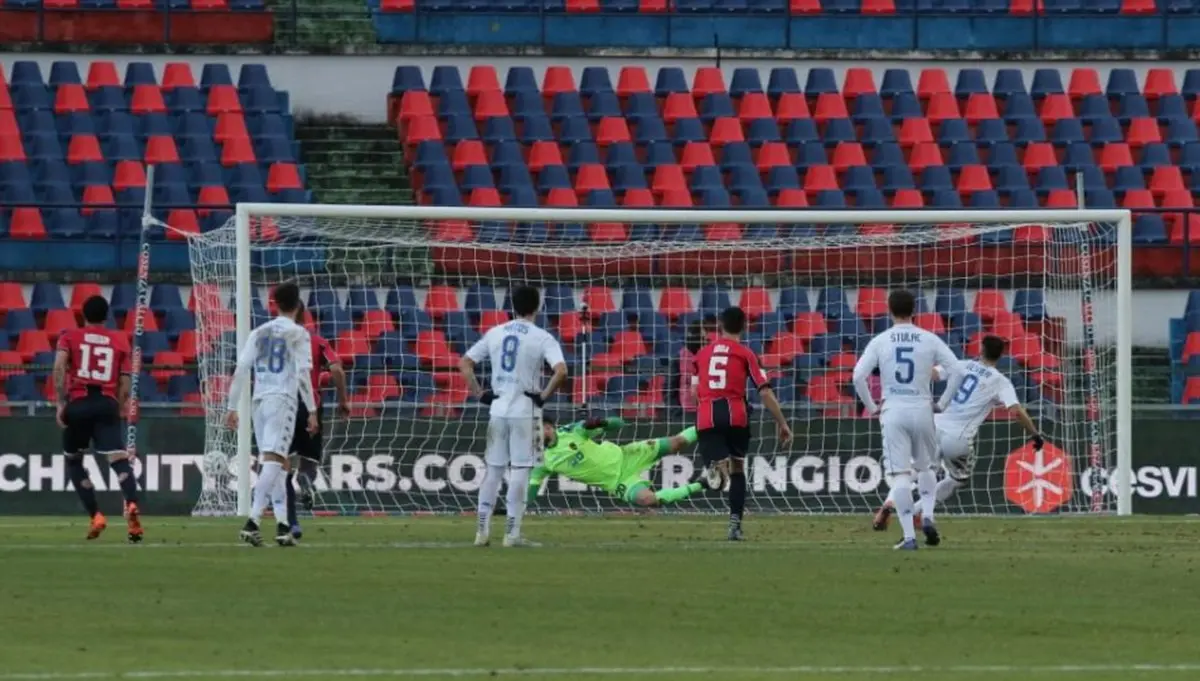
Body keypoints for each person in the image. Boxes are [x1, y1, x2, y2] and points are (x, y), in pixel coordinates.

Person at [873, 335, 1044, 540]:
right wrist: (1035, 434)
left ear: (981, 350)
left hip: (933, 425)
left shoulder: (961, 365)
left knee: (915, 471)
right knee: (956, 479)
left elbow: (932, 374)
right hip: (958, 438)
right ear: (1001, 356)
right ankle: (919, 511)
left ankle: (889, 503)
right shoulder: (1000, 381)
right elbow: (1016, 411)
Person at [852, 290, 963, 551]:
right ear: (914, 310)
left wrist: (871, 406)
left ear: (889, 310)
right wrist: (943, 403)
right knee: (926, 469)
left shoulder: (881, 340)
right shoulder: (929, 339)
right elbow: (957, 369)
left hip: (893, 410)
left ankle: (909, 538)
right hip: (923, 408)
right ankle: (927, 516)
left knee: (900, 475)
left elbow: (858, 376)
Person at [460, 285, 568, 548]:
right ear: (538, 307)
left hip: (498, 410)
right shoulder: (542, 337)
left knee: (494, 471)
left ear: (511, 307)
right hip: (525, 412)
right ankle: (512, 533)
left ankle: (482, 532)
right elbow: (562, 371)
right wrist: (543, 396)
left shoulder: (495, 332)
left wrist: (479, 393)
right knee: (521, 470)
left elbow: (464, 363)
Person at [225, 282, 318, 547]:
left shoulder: (258, 331)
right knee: (275, 461)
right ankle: (252, 522)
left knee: (279, 463)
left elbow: (241, 368)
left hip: (259, 401)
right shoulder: (299, 334)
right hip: (283, 400)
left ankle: (282, 526)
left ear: (274, 303)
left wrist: (232, 407)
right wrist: (311, 410)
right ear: (298, 305)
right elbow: (302, 374)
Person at [691, 306, 793, 541]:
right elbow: (765, 392)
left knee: (717, 471)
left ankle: (715, 470)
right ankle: (735, 524)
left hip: (708, 416)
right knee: (738, 468)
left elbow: (694, 390)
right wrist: (782, 423)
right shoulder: (746, 354)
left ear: (720, 325)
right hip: (737, 416)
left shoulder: (701, 355)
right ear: (744, 326)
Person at [53, 295, 140, 542]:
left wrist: (61, 403)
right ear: (106, 316)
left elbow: (59, 367)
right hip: (106, 404)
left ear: (83, 315)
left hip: (78, 403)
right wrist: (120, 406)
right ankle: (132, 504)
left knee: (74, 461)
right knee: (118, 458)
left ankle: (96, 516)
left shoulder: (69, 335)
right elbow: (125, 381)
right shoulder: (120, 339)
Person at [529, 415, 724, 507]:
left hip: (627, 455)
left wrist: (601, 422)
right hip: (618, 482)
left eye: (538, 428)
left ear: (549, 427)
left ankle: (716, 422)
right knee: (648, 500)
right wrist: (517, 507)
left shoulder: (574, 430)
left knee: (676, 443)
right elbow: (532, 486)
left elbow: (618, 423)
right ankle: (704, 483)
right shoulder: (543, 461)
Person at [285, 303, 349, 541]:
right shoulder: (318, 341)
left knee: (283, 468)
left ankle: (291, 523)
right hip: (311, 405)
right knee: (309, 463)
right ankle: (306, 481)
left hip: (283, 404)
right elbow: (338, 371)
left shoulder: (277, 341)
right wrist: (343, 400)